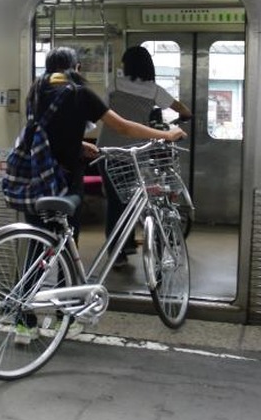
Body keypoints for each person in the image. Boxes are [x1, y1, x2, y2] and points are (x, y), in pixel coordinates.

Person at [14, 46, 187, 343]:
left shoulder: (36, 89)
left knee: (37, 247)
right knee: (67, 248)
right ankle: (62, 319)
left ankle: (24, 324)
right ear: (77, 67)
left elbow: (48, 131)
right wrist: (166, 134)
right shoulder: (80, 92)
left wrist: (79, 143)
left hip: (34, 178)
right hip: (65, 181)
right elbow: (124, 127)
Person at [98, 45, 192, 268]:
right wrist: (175, 124)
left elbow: (101, 109)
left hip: (108, 150)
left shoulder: (115, 84)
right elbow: (185, 111)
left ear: (127, 65)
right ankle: (123, 247)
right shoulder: (155, 90)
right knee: (132, 200)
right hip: (135, 153)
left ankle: (119, 250)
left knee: (116, 202)